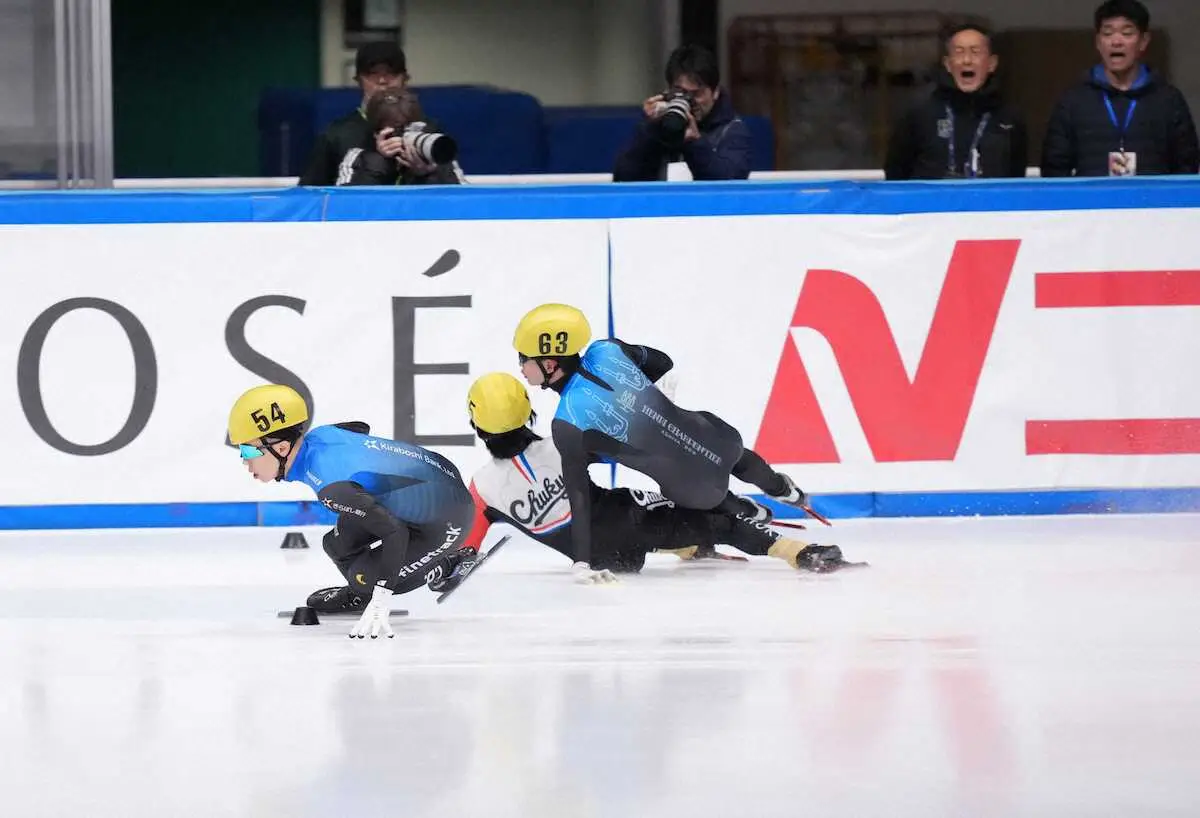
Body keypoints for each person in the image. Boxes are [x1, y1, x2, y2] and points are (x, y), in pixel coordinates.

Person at [509, 304, 837, 573]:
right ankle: (787, 491)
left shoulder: (567, 423)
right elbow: (663, 363)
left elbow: (579, 501)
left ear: (549, 363)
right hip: (714, 434)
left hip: (693, 488)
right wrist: (643, 394)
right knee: (738, 459)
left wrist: (581, 562)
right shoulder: (607, 350)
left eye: (523, 358)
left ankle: (751, 511)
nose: (521, 367)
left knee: (714, 493)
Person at [462, 373, 846, 584]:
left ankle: (687, 547)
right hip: (635, 522)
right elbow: (641, 451)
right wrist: (659, 410)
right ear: (528, 411)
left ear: (475, 424)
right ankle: (798, 552)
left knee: (643, 525)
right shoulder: (561, 444)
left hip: (609, 561)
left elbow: (463, 552)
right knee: (714, 520)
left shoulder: (480, 489)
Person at [227, 384, 477, 638]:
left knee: (368, 577)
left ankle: (447, 564)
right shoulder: (322, 435)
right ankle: (360, 594)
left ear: (281, 448)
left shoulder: (331, 487)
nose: (245, 461)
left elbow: (394, 532)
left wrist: (380, 597)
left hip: (448, 518)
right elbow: (360, 428)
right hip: (438, 478)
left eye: (247, 451)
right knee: (336, 544)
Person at [1041, 0, 1199, 177]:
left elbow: (1187, 167)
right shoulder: (1073, 101)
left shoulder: (1168, 100)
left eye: (1127, 33)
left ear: (1143, 41)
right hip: (1092, 202)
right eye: (1107, 33)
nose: (1116, 41)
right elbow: (1054, 169)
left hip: (1152, 203)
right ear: (1098, 42)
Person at [884, 24, 1028, 180]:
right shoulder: (919, 113)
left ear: (992, 64)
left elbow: (1015, 173)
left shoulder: (1009, 117)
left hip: (989, 204)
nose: (967, 60)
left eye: (975, 52)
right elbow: (896, 171)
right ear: (947, 64)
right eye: (959, 53)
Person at [297, 42, 450, 186]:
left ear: (405, 79)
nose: (382, 81)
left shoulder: (430, 130)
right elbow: (310, 196)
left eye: (392, 73)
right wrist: (374, 162)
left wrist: (427, 173)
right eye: (372, 74)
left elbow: (457, 194)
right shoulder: (337, 134)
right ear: (359, 80)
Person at [613, 44, 751, 182]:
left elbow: (729, 185)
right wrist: (650, 130)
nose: (689, 101)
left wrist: (695, 143)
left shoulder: (732, 131)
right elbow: (624, 179)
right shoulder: (656, 127)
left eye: (696, 94)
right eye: (681, 92)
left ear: (715, 92)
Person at [336, 88, 464, 186]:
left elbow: (463, 203)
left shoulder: (437, 155)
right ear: (377, 133)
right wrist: (379, 165)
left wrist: (427, 174)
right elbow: (346, 204)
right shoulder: (357, 158)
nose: (406, 136)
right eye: (399, 130)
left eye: (412, 129)